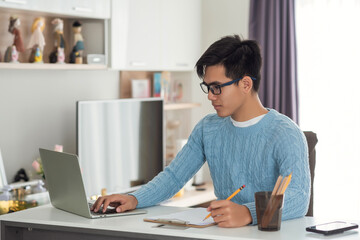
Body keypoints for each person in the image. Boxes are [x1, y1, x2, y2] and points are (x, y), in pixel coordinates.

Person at [91, 35, 310, 228]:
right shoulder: (208, 127)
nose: (210, 96)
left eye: (217, 87)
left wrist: (247, 213)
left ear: (245, 84)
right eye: (207, 87)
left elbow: (298, 197)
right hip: (222, 233)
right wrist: (135, 199)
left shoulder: (286, 133)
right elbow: (174, 177)